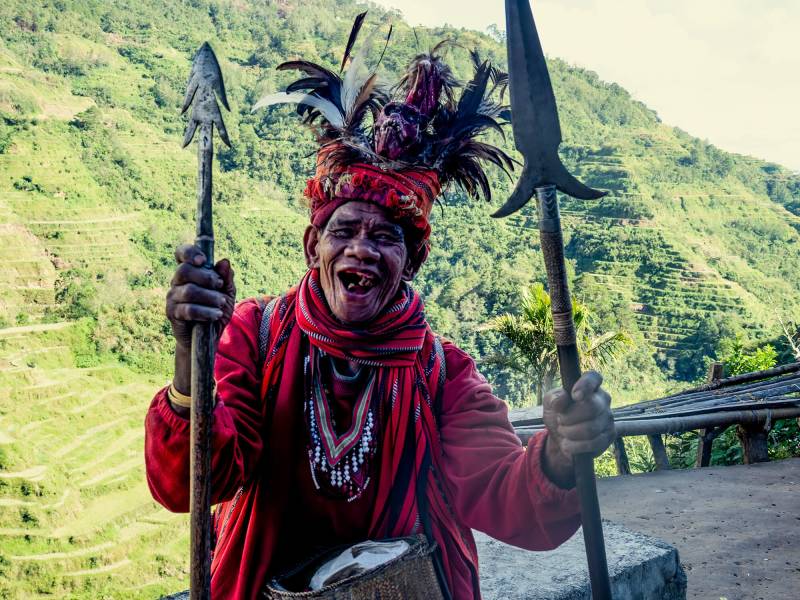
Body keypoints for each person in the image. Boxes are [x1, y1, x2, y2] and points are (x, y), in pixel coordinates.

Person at [145, 17, 615, 600]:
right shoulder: (256, 335)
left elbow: (509, 497)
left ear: (411, 261)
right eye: (344, 229)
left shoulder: (442, 374)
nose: (361, 248)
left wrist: (563, 455)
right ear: (313, 245)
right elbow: (188, 484)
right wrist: (190, 356)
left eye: (386, 236)